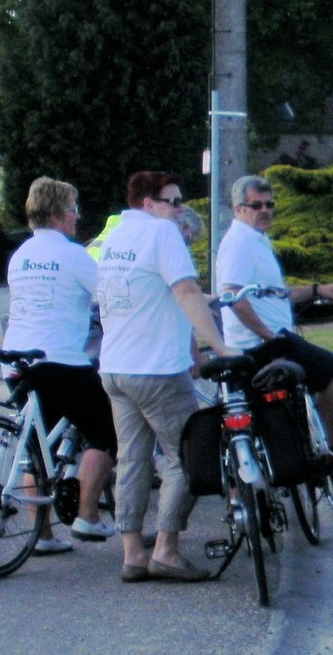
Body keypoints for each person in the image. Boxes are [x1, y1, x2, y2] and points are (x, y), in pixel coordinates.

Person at [96, 171, 242, 582]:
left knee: (132, 460)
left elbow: (147, 293)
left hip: (115, 367)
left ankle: (132, 555)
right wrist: (219, 345)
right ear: (148, 203)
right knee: (188, 457)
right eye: (173, 202)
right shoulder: (163, 234)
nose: (180, 210)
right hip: (157, 369)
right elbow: (184, 291)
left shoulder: (116, 238)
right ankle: (166, 550)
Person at [216, 174, 333, 468]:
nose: (265, 211)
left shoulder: (255, 239)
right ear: (238, 209)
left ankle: (310, 448)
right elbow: (233, 296)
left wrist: (317, 290)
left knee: (297, 395)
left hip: (271, 338)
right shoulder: (239, 243)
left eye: (269, 205)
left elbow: (278, 293)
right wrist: (267, 335)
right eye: (257, 205)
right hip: (262, 343)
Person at [1, 176, 115, 553]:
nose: (77, 216)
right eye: (72, 209)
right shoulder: (73, 255)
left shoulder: (20, 255)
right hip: (59, 359)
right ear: (55, 214)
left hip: (16, 356)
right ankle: (87, 516)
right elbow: (110, 297)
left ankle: (42, 537)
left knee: (37, 448)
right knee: (106, 430)